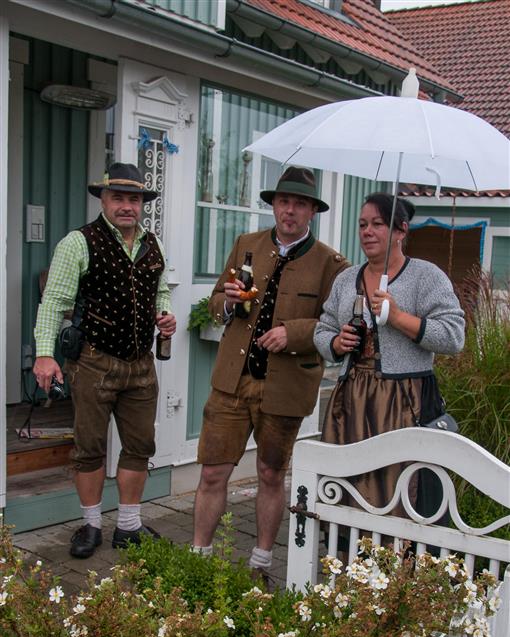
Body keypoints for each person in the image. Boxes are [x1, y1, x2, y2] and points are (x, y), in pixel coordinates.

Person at [192, 166, 348, 583]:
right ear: (274, 205)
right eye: (283, 202)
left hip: (284, 387)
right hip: (232, 380)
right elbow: (215, 304)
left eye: (299, 204)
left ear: (312, 211)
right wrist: (226, 302)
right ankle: (198, 560)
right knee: (212, 472)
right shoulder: (246, 245)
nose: (289, 210)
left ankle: (260, 563)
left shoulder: (332, 264)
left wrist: (293, 333)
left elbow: (337, 325)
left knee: (270, 474)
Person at [33, 163, 176, 558]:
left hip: (141, 364)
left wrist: (165, 314)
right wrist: (44, 354)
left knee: (140, 446)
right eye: (119, 198)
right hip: (93, 362)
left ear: (142, 204)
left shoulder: (153, 243)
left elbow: (161, 290)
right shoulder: (78, 242)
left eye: (134, 199)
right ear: (103, 200)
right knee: (89, 447)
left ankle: (128, 526)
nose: (127, 206)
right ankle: (92, 525)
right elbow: (54, 303)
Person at [314, 192, 465, 516]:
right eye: (362, 225)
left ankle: (397, 550)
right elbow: (322, 328)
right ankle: (349, 548)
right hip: (351, 402)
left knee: (398, 490)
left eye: (378, 224)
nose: (367, 231)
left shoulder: (425, 276)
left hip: (404, 402)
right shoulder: (346, 279)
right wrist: (337, 343)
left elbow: (453, 337)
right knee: (349, 486)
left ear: (401, 230)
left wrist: (398, 318)